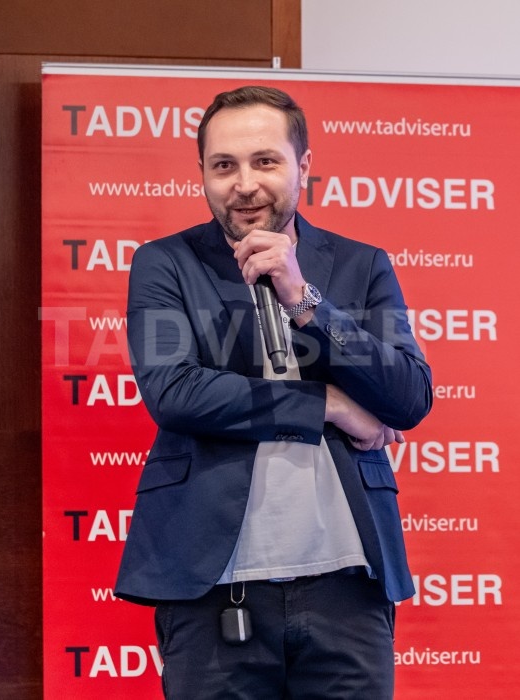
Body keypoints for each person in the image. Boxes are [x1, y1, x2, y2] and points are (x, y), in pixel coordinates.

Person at [115, 85, 432, 699]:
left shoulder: (361, 264)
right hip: (213, 584)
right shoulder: (166, 263)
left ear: (303, 166)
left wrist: (304, 300)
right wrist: (327, 405)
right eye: (223, 165)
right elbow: (175, 391)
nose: (244, 185)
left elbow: (409, 396)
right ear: (202, 172)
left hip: (349, 584)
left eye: (265, 161)